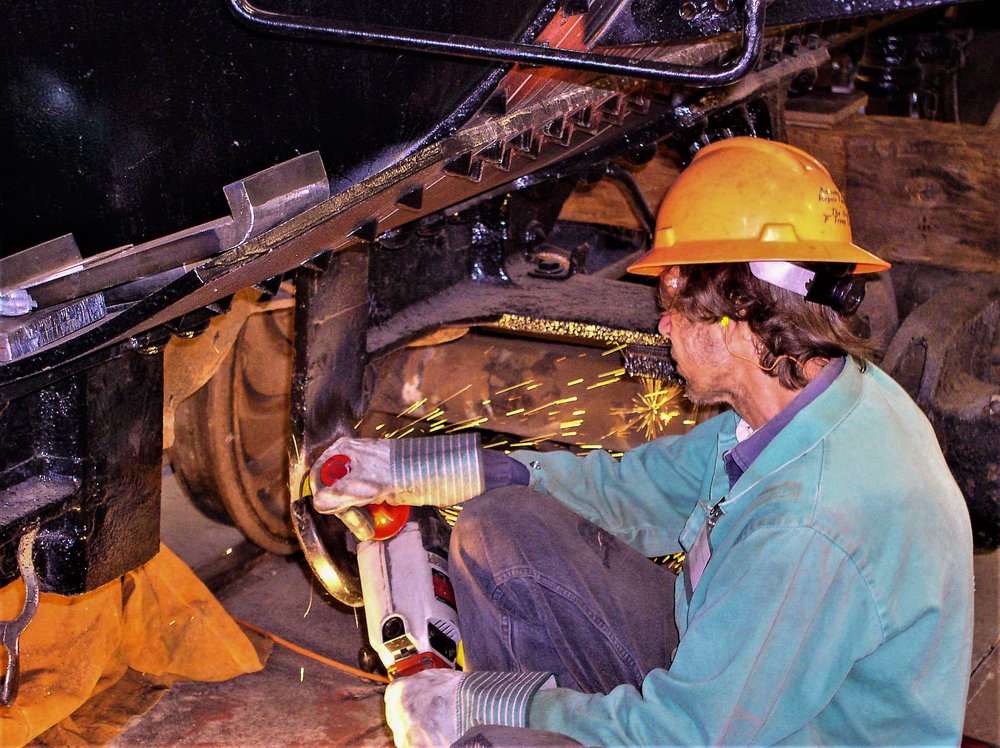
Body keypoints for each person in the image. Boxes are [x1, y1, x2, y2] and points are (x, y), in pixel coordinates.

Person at [312, 137, 975, 746]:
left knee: (503, 732)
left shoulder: (810, 524)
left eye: (675, 302)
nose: (662, 324)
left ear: (737, 317)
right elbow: (637, 491)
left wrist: (492, 703)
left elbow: (690, 732)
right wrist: (416, 468)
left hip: (773, 732)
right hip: (742, 674)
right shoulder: (814, 397)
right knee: (502, 528)